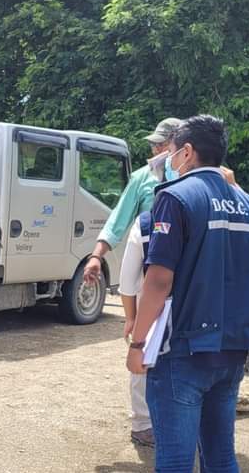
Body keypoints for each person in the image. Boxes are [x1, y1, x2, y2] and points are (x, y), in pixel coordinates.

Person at [127, 115, 249, 473]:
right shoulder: (246, 202)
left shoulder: (174, 197)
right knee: (220, 457)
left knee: (175, 461)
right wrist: (241, 302)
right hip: (231, 350)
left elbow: (158, 280)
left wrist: (137, 344)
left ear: (186, 152)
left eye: (169, 152)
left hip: (183, 350)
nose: (166, 160)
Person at [81, 117, 179, 446]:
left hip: (186, 280)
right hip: (147, 275)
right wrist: (97, 255)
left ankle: (178, 417)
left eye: (161, 144)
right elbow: (119, 220)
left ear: (180, 145)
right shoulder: (142, 179)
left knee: (181, 354)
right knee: (144, 344)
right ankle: (142, 423)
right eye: (154, 145)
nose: (155, 149)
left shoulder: (195, 176)